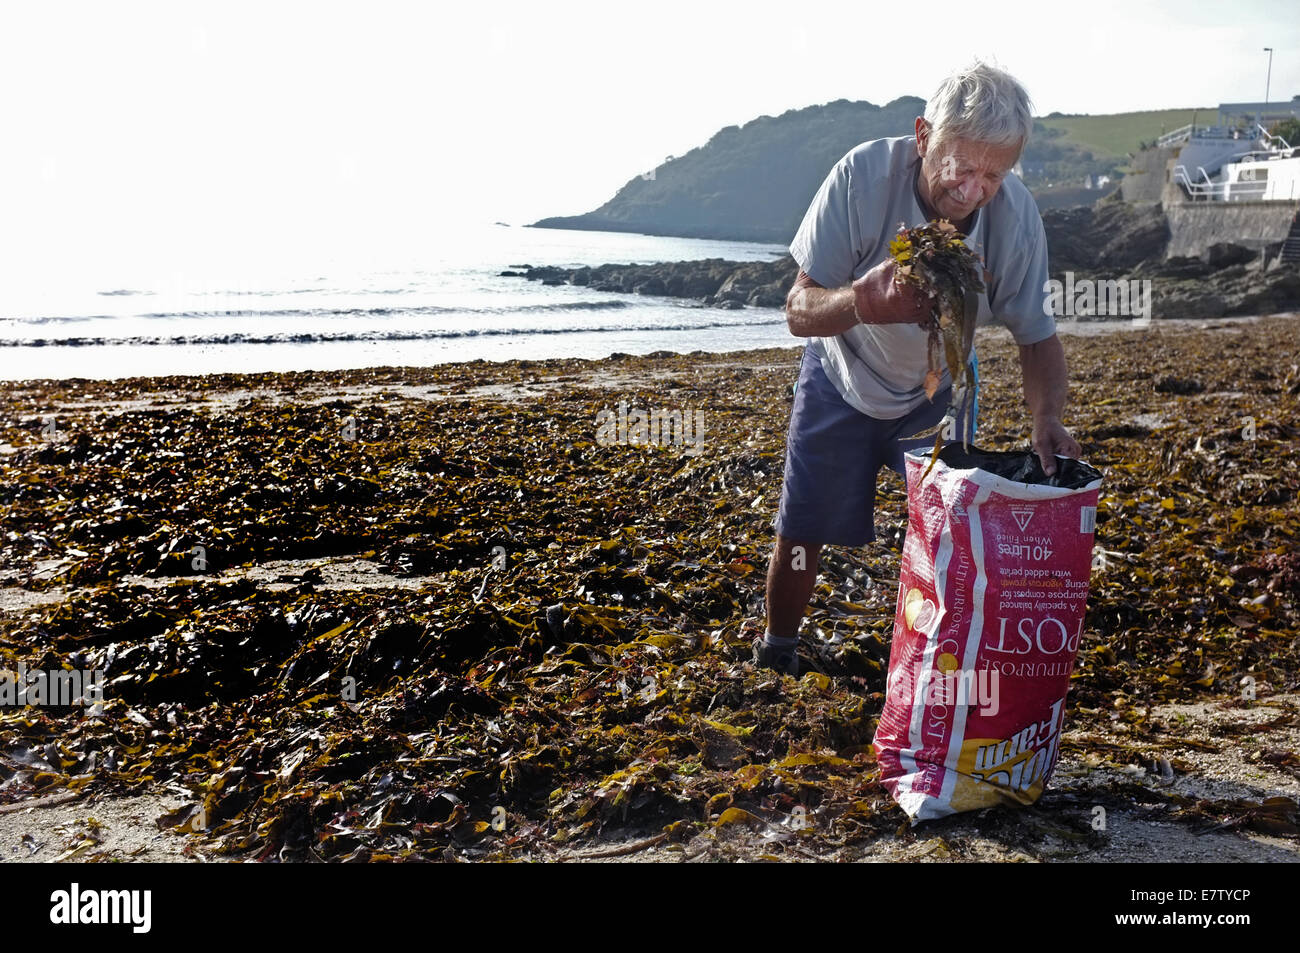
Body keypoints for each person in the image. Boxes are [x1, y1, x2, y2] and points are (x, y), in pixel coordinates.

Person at [753, 60, 1082, 676]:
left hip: (938, 395)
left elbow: (1036, 337)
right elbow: (799, 310)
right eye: (962, 168)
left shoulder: (1015, 220)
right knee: (802, 528)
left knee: (947, 538)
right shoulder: (861, 178)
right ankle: (779, 647)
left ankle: (931, 665)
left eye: (994, 174)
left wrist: (1047, 417)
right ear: (924, 136)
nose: (973, 190)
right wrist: (861, 301)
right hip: (841, 374)